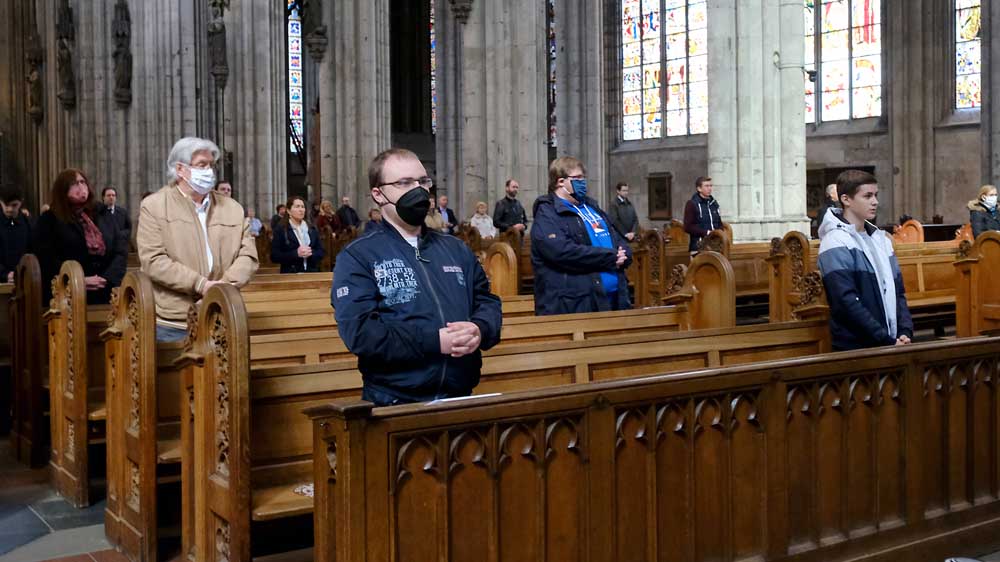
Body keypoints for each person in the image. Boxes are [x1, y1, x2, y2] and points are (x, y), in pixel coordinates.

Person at [332, 148, 502, 406]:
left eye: (423, 181)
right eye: (404, 183)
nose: (418, 190)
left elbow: (486, 301)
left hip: (460, 397)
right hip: (394, 402)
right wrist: (435, 342)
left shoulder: (455, 249)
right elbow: (361, 333)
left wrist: (481, 328)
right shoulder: (358, 256)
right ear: (378, 194)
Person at [137, 136, 258, 342]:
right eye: (202, 165)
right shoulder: (154, 206)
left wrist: (220, 288)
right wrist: (200, 284)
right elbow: (154, 260)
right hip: (175, 321)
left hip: (221, 314)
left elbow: (248, 256)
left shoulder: (232, 208)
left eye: (211, 165)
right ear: (180, 169)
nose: (209, 171)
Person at [817, 169, 912, 351]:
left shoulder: (882, 240)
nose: (875, 202)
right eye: (867, 196)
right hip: (857, 346)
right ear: (846, 199)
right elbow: (846, 302)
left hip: (891, 341)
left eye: (876, 195)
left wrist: (904, 331)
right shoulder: (835, 241)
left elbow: (898, 292)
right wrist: (884, 339)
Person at [530, 156, 632, 316]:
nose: (582, 182)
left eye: (583, 177)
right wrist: (611, 257)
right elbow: (562, 252)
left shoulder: (592, 207)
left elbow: (616, 237)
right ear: (560, 181)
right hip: (575, 302)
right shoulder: (547, 213)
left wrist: (625, 254)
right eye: (577, 178)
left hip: (615, 299)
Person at [34, 169, 128, 304]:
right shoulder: (50, 219)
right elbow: (45, 259)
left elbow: (120, 250)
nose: (81, 187)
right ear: (62, 189)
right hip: (68, 295)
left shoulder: (103, 214)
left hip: (106, 291)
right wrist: (77, 280)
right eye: (74, 184)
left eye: (83, 182)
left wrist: (108, 278)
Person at [270, 196, 325, 273]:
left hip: (311, 272)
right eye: (297, 206)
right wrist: (295, 254)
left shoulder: (311, 228)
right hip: (291, 273)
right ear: (289, 211)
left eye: (303, 207)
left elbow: (321, 252)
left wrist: (311, 253)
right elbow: (274, 256)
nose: (301, 210)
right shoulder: (281, 229)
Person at [0, 186, 32, 283]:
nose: (9, 209)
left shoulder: (27, 222)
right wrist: (5, 274)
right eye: (6, 205)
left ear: (21, 202)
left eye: (14, 205)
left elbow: (32, 250)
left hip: (25, 279)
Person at [682, 176, 722, 254]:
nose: (709, 188)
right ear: (699, 188)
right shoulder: (692, 204)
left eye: (710, 186)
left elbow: (719, 223)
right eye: (706, 186)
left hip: (715, 246)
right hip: (698, 247)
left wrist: (719, 234)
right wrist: (707, 233)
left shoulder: (714, 204)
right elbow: (688, 227)